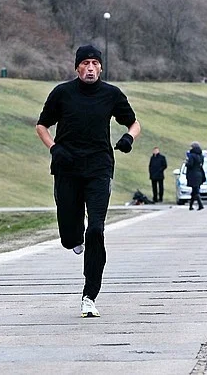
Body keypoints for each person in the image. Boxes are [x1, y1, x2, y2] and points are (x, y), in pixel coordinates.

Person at [36, 44, 141, 317]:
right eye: (85, 63)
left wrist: (129, 138)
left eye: (95, 63)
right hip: (67, 167)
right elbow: (41, 125)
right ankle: (73, 238)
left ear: (101, 67)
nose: (90, 68)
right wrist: (53, 147)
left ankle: (89, 294)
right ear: (77, 67)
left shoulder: (111, 94)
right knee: (70, 234)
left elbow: (134, 123)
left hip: (99, 168)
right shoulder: (62, 93)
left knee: (95, 229)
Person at [186, 141, 205, 211]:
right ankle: (191, 206)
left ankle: (200, 204)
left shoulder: (191, 155)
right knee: (194, 191)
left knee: (196, 191)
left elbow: (190, 164)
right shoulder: (201, 156)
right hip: (199, 174)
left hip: (193, 175)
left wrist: (186, 163)